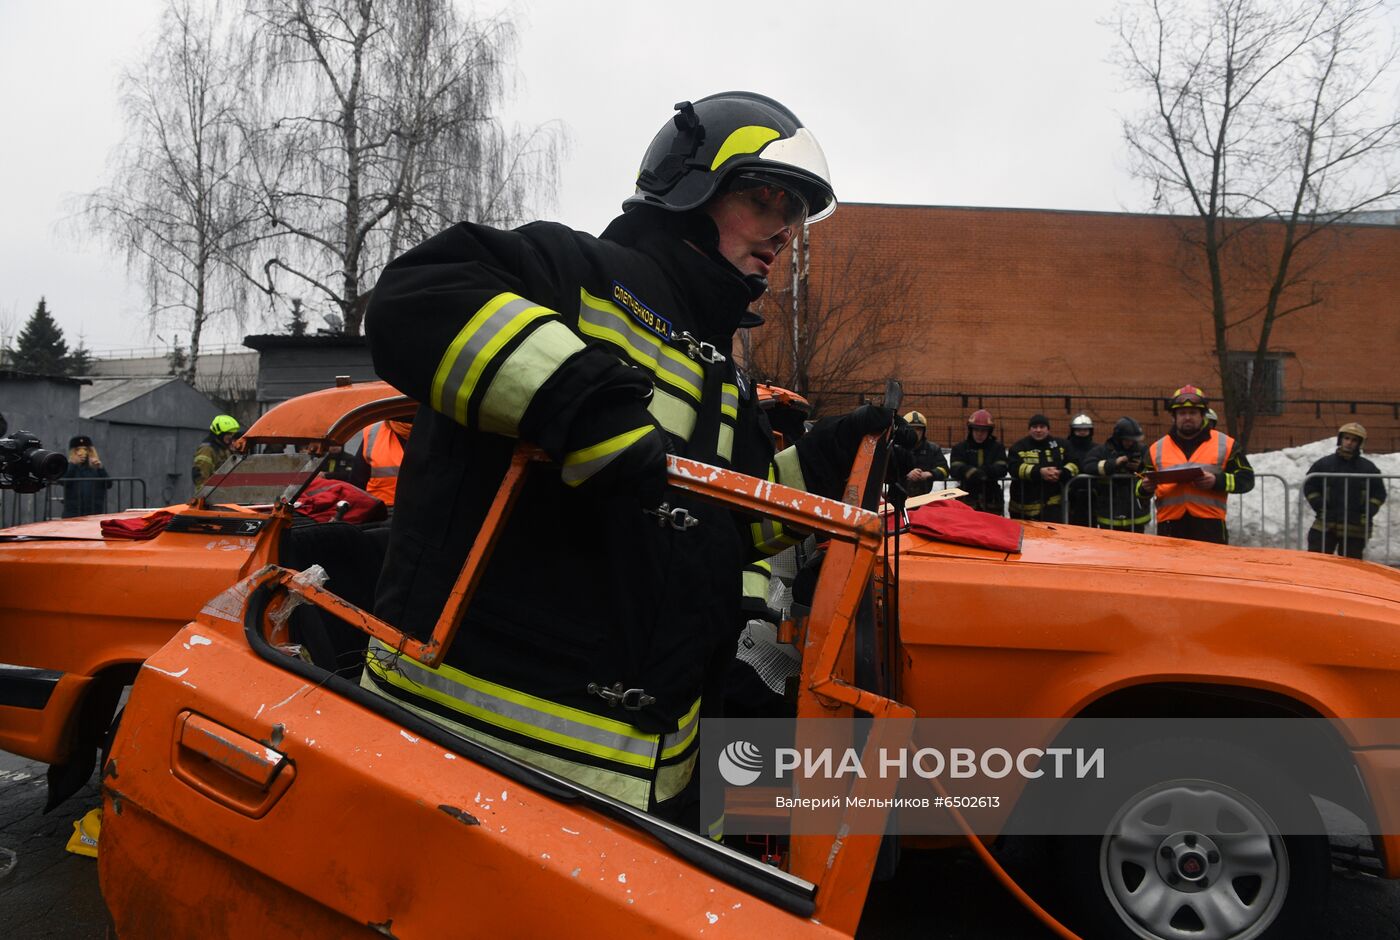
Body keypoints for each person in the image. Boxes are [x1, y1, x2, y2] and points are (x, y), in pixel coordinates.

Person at [361, 92, 887, 826]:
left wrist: (824, 463)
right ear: (689, 187)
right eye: (765, 197)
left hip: (642, 792)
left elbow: (726, 521)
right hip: (471, 762)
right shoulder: (580, 275)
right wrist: (578, 403)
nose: (783, 230)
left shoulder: (724, 370)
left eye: (794, 213)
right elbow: (416, 296)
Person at [1139, 385, 1254, 544]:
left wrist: (1216, 481)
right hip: (1170, 526)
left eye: (1193, 413)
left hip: (1210, 525)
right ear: (1174, 416)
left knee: (1210, 569)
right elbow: (1139, 483)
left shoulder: (1226, 444)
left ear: (1203, 415)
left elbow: (1247, 480)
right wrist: (1144, 487)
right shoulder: (1156, 449)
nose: (1187, 417)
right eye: (1182, 413)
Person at [1303, 422, 1387, 559]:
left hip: (1355, 527)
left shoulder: (1368, 468)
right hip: (1325, 524)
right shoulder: (1324, 464)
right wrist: (1320, 505)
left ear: (1359, 443)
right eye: (1346, 438)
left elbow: (1379, 493)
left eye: (1354, 440)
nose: (1349, 443)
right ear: (1340, 439)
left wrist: (1368, 510)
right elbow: (1310, 486)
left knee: (1351, 568)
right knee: (1317, 562)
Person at [1083, 417, 1152, 532]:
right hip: (1110, 512)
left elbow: (1153, 468)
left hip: (1136, 514)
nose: (1130, 443)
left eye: (1133, 440)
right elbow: (1088, 466)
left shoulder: (1143, 450)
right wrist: (1114, 463)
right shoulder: (1103, 451)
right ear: (1118, 438)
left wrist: (1139, 468)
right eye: (1127, 440)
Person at [1006, 415, 1075, 522]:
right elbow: (1014, 468)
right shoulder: (1019, 447)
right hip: (1023, 509)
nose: (1038, 430)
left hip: (1052, 507)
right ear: (1029, 429)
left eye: (1042, 426)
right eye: (1034, 427)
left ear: (1048, 429)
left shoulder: (1061, 446)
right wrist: (1039, 472)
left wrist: (1062, 473)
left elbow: (1074, 464)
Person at [949, 409, 1008, 515]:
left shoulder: (997, 448)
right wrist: (971, 472)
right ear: (971, 430)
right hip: (967, 499)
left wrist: (983, 472)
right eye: (976, 430)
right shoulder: (960, 448)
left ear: (989, 431)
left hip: (992, 500)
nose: (980, 434)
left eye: (983, 430)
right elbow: (955, 468)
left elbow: (1002, 468)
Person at [896, 410, 949, 497]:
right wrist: (906, 474)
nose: (916, 432)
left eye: (919, 429)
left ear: (923, 431)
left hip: (924, 498)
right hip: (898, 497)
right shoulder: (896, 448)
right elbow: (886, 471)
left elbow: (944, 470)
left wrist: (930, 473)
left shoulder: (932, 449)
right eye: (912, 429)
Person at [361, 419, 411, 507]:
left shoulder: (373, 431)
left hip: (382, 509)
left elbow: (357, 480)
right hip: (383, 509)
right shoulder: (373, 431)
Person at [62, 435, 111, 518]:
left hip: (94, 512)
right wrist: (73, 464)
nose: (82, 453)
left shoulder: (95, 467)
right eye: (78, 450)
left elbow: (109, 484)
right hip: (73, 513)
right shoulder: (69, 466)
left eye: (85, 449)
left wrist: (100, 468)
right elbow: (63, 481)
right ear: (73, 452)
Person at [192, 415, 242, 493]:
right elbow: (201, 479)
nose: (231, 437)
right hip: (211, 498)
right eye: (229, 434)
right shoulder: (206, 450)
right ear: (220, 434)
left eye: (232, 434)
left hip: (223, 495)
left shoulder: (224, 448)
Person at [1063, 413, 1096, 526]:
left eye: (1085, 430)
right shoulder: (1066, 447)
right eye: (1078, 430)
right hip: (1070, 495)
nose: (1082, 432)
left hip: (1092, 496)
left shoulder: (1096, 448)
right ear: (1073, 431)